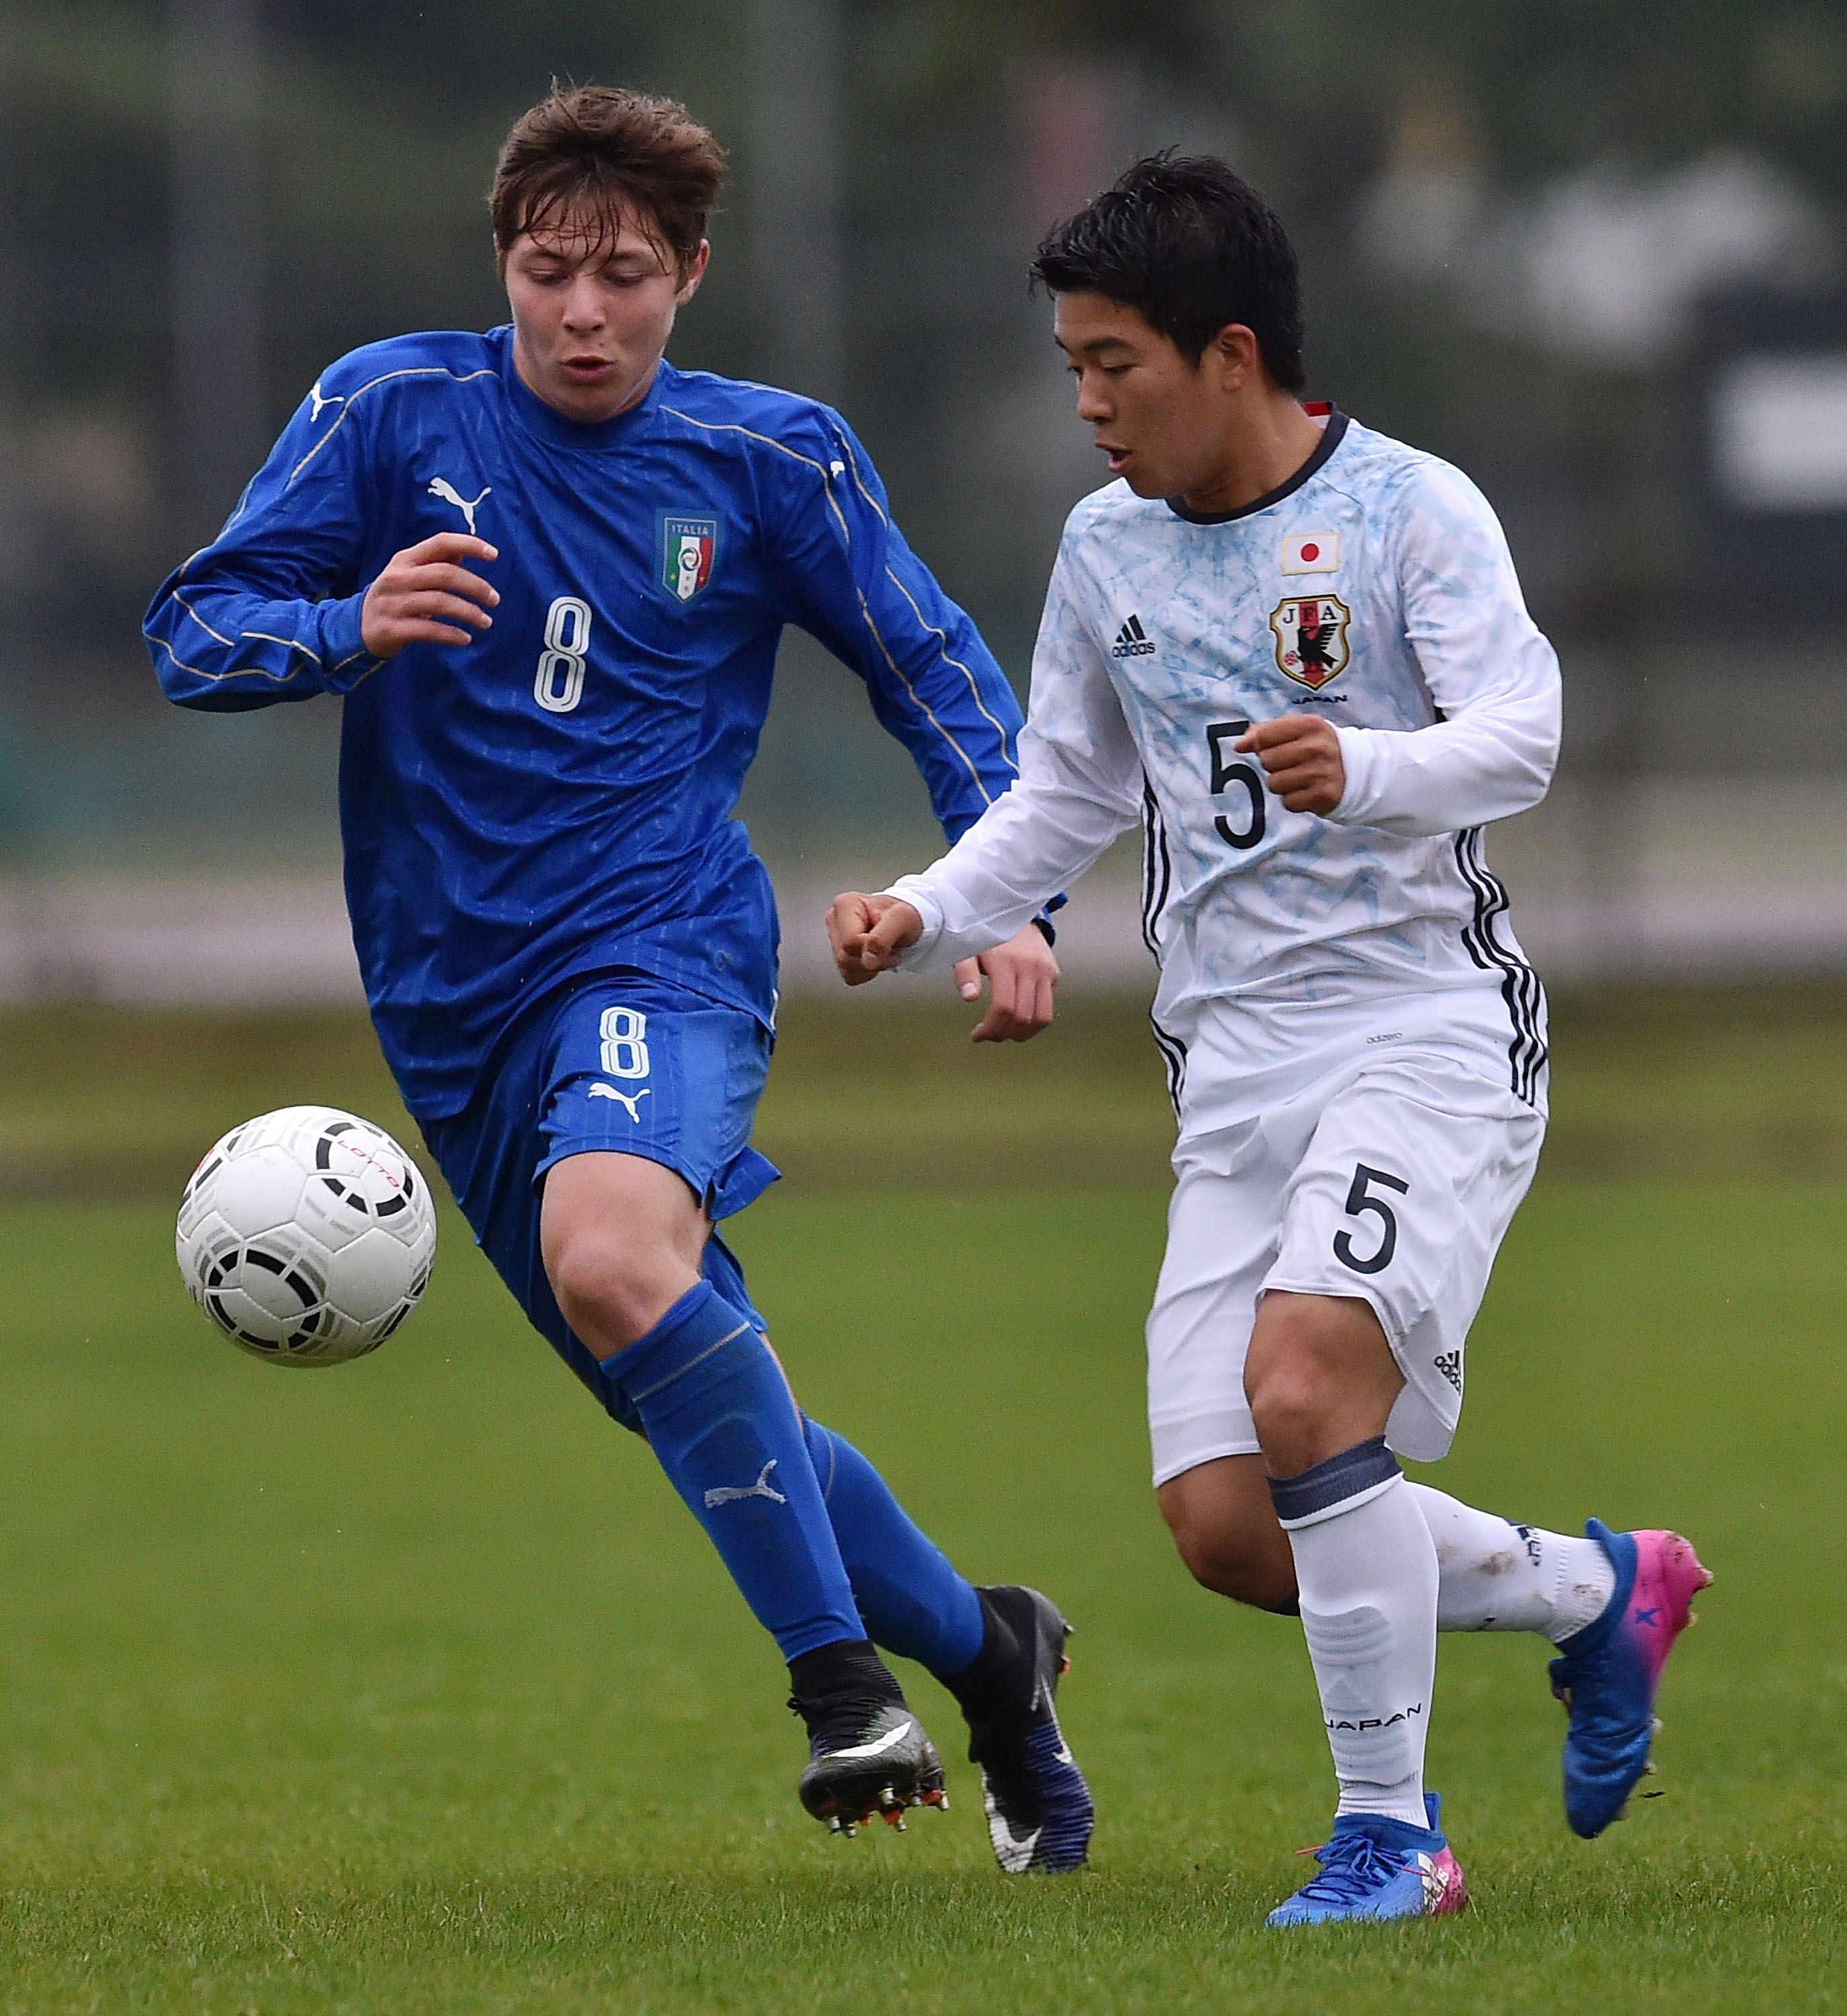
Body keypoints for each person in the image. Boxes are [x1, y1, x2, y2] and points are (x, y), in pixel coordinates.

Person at [145, 85, 1093, 1871]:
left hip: (660, 943)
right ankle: (992, 1658)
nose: (583, 312)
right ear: (501, 267)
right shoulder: (385, 410)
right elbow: (192, 634)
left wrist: (1008, 900)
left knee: (610, 1258)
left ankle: (840, 1696)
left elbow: (938, 671)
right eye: (548, 271)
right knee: (674, 1354)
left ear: (690, 277)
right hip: (447, 1008)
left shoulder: (769, 462)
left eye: (624, 276)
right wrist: (340, 626)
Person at [827, 153, 1710, 1924]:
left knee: (1303, 1388)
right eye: (1070, 365)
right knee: (1235, 1528)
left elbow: (1522, 734)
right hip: (1226, 1067)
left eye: (1112, 364)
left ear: (1229, 354)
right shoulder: (1105, 545)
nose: (1085, 402)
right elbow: (1066, 783)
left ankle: (1390, 1840)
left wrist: (1367, 768)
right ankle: (1596, 1594)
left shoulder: (1406, 513)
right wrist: (932, 908)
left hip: (1422, 1030)